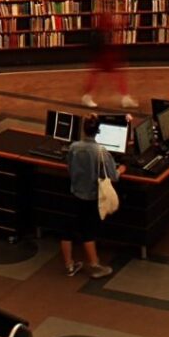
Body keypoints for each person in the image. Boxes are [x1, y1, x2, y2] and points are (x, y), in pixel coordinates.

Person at [59, 114, 122, 278]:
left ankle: (69, 265)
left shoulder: (73, 147)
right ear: (98, 132)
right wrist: (121, 170)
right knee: (88, 230)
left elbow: (69, 168)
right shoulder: (101, 151)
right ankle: (94, 265)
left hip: (74, 193)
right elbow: (112, 176)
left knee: (67, 229)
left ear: (84, 129)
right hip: (91, 197)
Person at [82, 0, 138, 109]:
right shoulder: (105, 17)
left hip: (106, 52)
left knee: (101, 74)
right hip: (106, 52)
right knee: (111, 74)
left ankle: (88, 97)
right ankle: (124, 98)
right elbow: (107, 32)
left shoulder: (103, 16)